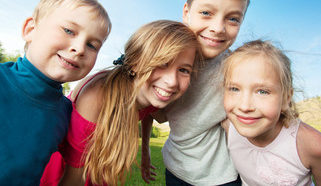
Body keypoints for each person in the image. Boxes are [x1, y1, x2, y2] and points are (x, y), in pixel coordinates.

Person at [40, 20, 202, 186]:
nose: (172, 81)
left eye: (184, 70)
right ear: (135, 63)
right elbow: (76, 177)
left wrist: (145, 150)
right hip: (68, 168)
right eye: (162, 63)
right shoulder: (97, 96)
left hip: (99, 163)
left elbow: (152, 113)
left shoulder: (152, 93)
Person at [141, 0, 251, 185]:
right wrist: (145, 151)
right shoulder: (164, 60)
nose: (218, 28)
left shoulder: (237, 68)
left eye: (232, 19)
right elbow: (147, 109)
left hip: (222, 178)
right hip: (176, 170)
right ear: (186, 13)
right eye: (206, 13)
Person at [0, 0, 111, 185]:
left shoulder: (67, 113)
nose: (80, 48)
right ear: (31, 29)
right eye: (69, 31)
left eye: (92, 45)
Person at [221, 39, 321, 186]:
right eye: (234, 89)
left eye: (262, 91)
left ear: (286, 98)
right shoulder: (229, 125)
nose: (244, 106)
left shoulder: (313, 145)